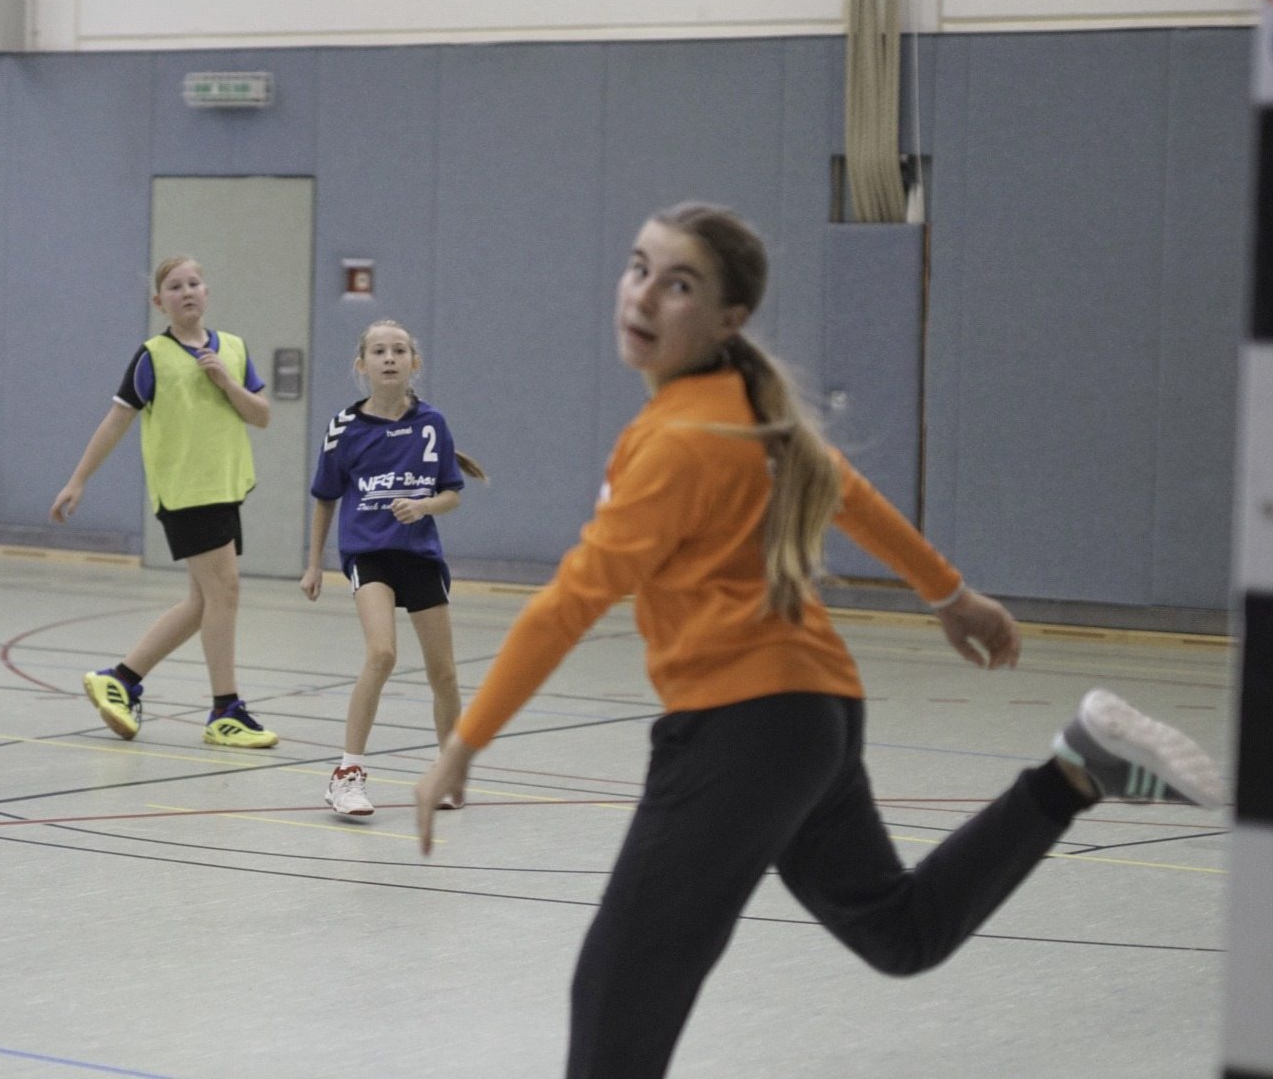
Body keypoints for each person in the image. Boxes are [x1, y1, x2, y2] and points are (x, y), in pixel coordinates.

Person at [410, 202, 1225, 1078]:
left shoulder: (680, 441)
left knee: (621, 994)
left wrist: (465, 741)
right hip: (813, 718)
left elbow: (568, 605)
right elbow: (846, 491)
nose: (642, 295)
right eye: (639, 268)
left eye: (678, 285)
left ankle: (1076, 770)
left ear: (728, 319)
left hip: (740, 729)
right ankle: (1074, 774)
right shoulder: (740, 411)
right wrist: (948, 594)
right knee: (901, 930)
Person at [51, 256, 277, 748]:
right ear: (160, 301)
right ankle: (225, 710)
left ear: (207, 292)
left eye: (194, 282)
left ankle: (121, 679)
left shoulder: (233, 348)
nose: (187, 291)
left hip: (226, 488)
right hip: (186, 493)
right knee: (225, 593)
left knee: (204, 602)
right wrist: (78, 480)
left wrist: (227, 382)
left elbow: (261, 415)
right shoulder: (152, 356)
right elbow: (116, 421)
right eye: (175, 286)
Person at [300, 319, 485, 815]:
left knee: (444, 674)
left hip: (419, 555)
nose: (389, 358)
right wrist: (314, 565)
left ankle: (447, 771)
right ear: (361, 365)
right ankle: (346, 775)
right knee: (382, 654)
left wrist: (423, 507)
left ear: (413, 363)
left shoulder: (432, 424)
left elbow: (452, 494)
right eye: (379, 351)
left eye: (399, 350)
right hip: (368, 554)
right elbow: (325, 498)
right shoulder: (344, 428)